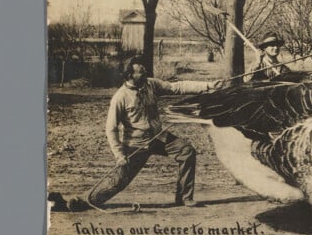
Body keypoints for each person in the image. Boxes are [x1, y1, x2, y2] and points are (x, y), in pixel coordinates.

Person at [50, 56, 222, 212]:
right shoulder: (120, 97)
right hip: (136, 145)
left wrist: (208, 86)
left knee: (186, 151)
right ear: (129, 75)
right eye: (141, 72)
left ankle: (184, 197)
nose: (145, 74)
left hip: (159, 137)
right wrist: (119, 155)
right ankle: (78, 202)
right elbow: (111, 129)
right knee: (118, 181)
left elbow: (177, 87)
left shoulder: (151, 84)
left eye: (144, 71)